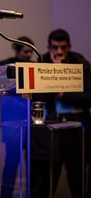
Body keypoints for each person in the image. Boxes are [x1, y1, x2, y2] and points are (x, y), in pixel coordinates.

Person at [31, 29, 91, 198]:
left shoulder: (81, 63)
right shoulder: (41, 64)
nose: (59, 52)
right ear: (48, 47)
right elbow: (36, 97)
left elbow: (88, 96)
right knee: (44, 184)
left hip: (76, 132)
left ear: (69, 47)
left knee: (78, 183)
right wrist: (55, 75)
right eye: (54, 47)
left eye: (63, 48)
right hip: (48, 133)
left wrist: (62, 93)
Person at [0, 36, 36, 198]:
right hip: (12, 123)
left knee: (32, 165)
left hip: (32, 122)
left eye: (31, 52)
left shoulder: (35, 67)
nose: (29, 55)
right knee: (11, 165)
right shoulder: (5, 66)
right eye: (26, 51)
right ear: (17, 50)